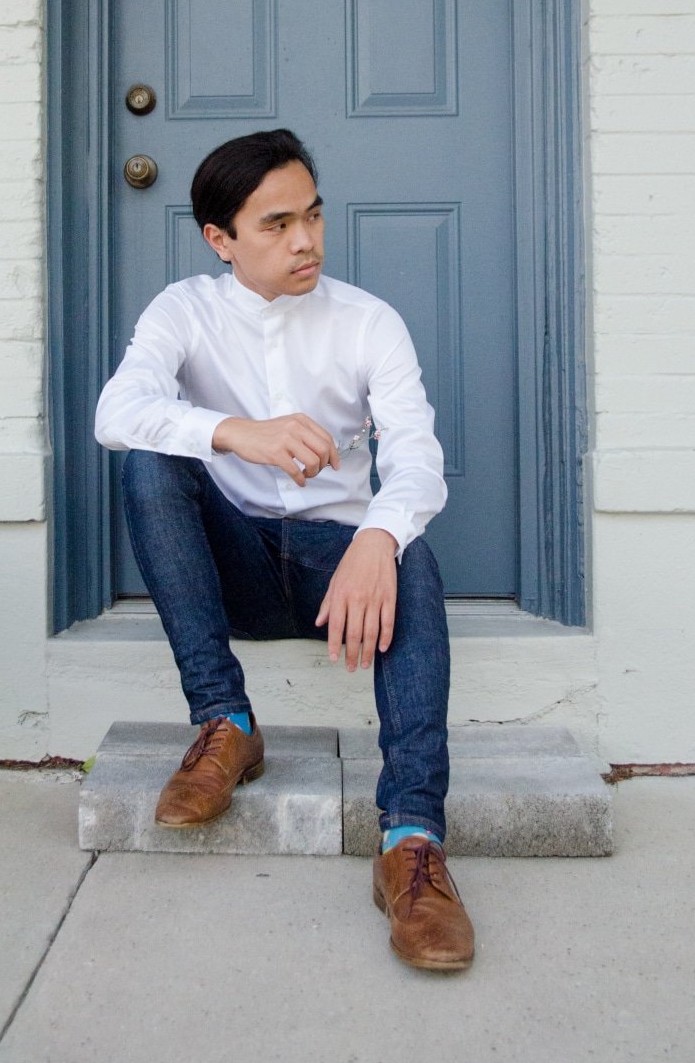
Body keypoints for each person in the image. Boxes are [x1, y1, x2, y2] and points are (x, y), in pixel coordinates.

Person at [95, 129, 475, 971]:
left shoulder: (368, 322)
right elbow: (115, 414)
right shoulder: (183, 311)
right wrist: (234, 433)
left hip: (335, 574)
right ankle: (225, 724)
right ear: (219, 239)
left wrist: (378, 533)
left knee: (410, 548)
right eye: (275, 225)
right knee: (153, 465)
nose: (305, 240)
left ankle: (411, 845)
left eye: (312, 215)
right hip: (227, 566)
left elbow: (416, 456)